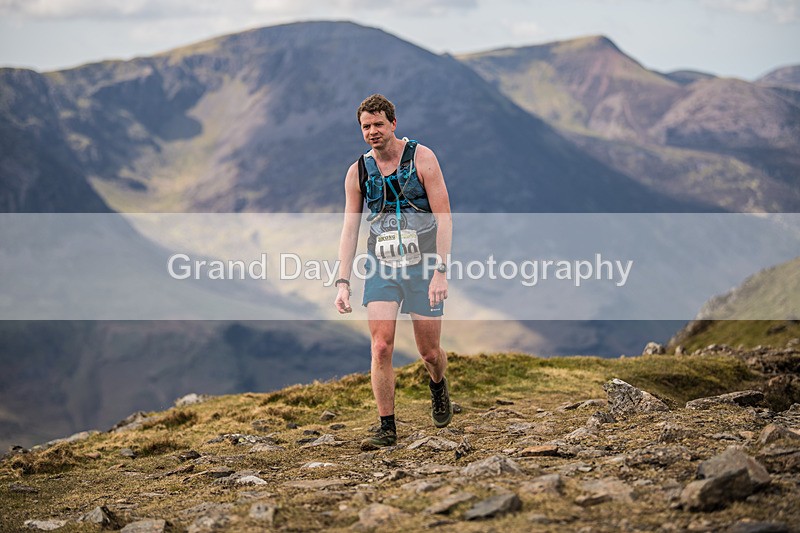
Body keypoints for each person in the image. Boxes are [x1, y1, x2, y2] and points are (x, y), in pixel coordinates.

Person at [334, 94, 454, 450]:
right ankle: (387, 426)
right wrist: (343, 282)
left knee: (429, 352)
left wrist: (441, 271)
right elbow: (349, 228)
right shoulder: (358, 171)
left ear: (393, 124)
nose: (372, 132)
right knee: (381, 346)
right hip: (381, 265)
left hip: (424, 264)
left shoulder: (423, 158)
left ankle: (437, 385)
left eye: (378, 125)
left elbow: (445, 217)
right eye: (366, 126)